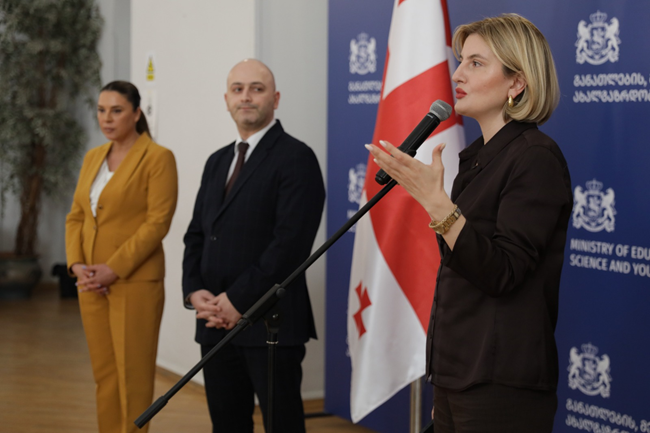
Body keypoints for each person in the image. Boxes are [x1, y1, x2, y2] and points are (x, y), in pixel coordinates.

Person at [366, 14, 572, 433]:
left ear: (517, 83)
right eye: (461, 61)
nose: (457, 74)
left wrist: (436, 202)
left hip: (500, 381)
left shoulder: (535, 157)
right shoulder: (477, 158)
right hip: (458, 373)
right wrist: (446, 385)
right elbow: (461, 267)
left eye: (476, 63)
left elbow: (503, 273)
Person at [182, 59, 325, 432]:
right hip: (214, 323)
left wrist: (238, 301)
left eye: (256, 89)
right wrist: (194, 291)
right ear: (226, 100)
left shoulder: (297, 158)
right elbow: (196, 235)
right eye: (238, 89)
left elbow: (290, 246)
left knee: (282, 426)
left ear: (275, 99)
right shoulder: (217, 161)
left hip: (269, 326)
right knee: (227, 425)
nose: (245, 97)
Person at [65, 81, 178, 433]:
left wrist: (113, 269)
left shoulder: (158, 158)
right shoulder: (93, 157)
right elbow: (76, 216)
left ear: (136, 113)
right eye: (101, 110)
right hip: (89, 283)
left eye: (116, 111)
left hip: (134, 283)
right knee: (105, 376)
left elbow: (157, 223)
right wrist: (77, 266)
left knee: (134, 376)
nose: (107, 118)